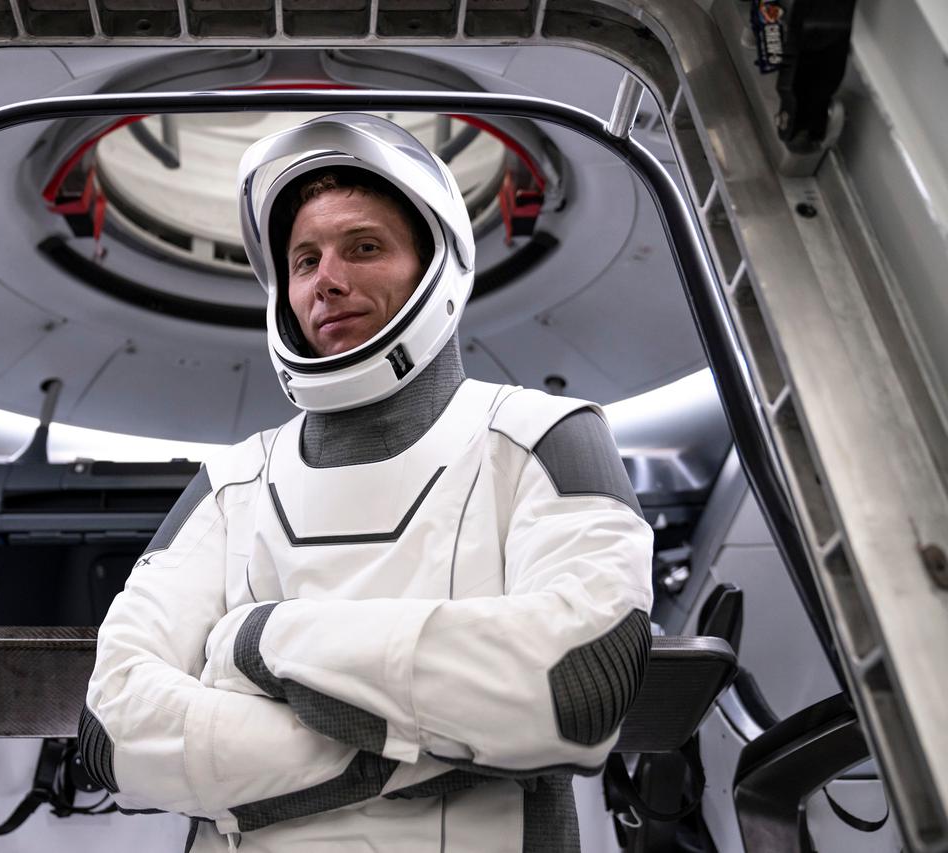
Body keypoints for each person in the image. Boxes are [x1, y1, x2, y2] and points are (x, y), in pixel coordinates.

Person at [80, 114, 654, 852]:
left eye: (364, 247)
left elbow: (580, 684)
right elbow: (110, 729)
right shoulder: (231, 482)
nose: (330, 281)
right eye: (305, 260)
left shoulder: (546, 435)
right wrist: (431, 747)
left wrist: (256, 640)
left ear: (434, 265)